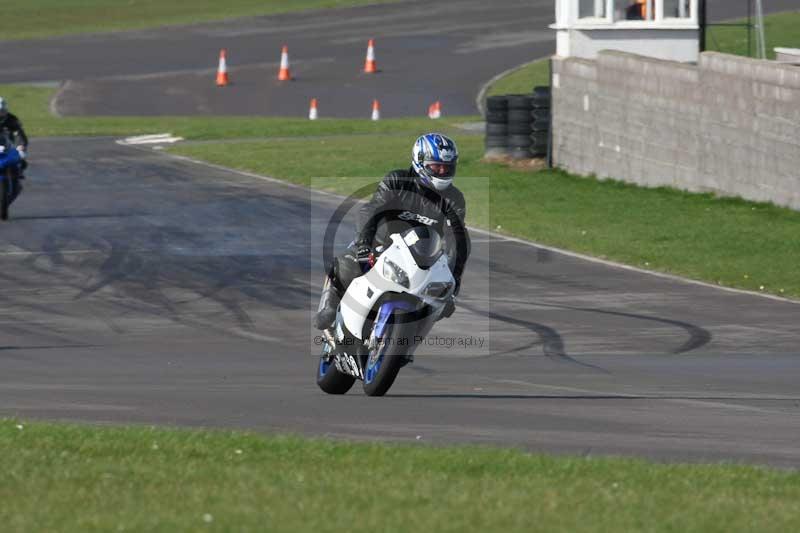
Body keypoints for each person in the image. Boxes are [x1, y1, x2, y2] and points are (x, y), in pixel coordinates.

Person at [314, 133, 471, 331]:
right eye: (436, 166)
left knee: (438, 303)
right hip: (380, 244)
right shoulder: (397, 180)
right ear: (420, 162)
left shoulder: (454, 198)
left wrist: (454, 281)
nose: (441, 171)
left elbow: (457, 237)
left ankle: (408, 338)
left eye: (446, 167)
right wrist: (364, 244)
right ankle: (329, 305)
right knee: (346, 264)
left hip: (422, 257)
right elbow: (371, 210)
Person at [0, 96, 29, 178]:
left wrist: (21, 146)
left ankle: (18, 173)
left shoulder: (12, 119)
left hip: (9, 146)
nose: (0, 114)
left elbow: (20, 134)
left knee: (22, 161)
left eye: (2, 111)